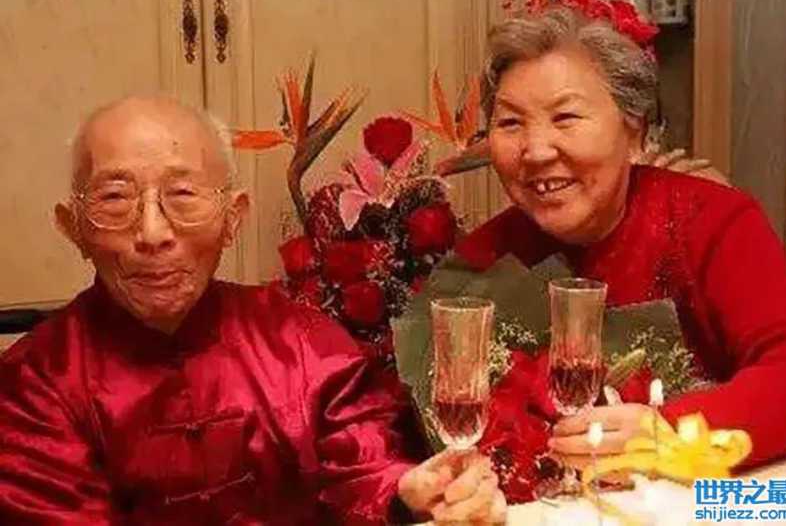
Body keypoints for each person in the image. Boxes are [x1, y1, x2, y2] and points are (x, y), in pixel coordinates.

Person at [0, 96, 506, 525]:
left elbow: (366, 465)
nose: (152, 233)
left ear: (233, 218)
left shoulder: (299, 341)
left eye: (183, 195)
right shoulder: (33, 384)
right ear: (73, 227)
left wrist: (409, 491)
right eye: (114, 199)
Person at [455, 4, 786, 469]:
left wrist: (668, 432)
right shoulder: (483, 258)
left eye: (565, 117)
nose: (535, 151)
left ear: (634, 134)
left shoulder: (713, 222)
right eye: (510, 123)